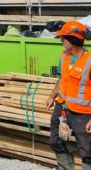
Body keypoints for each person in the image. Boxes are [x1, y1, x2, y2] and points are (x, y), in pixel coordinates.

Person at [46, 21, 91, 170]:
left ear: (72, 40)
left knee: (88, 151)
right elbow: (61, 79)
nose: (61, 40)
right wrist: (52, 96)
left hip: (83, 114)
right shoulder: (64, 56)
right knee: (55, 141)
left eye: (63, 38)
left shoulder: (89, 61)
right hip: (62, 107)